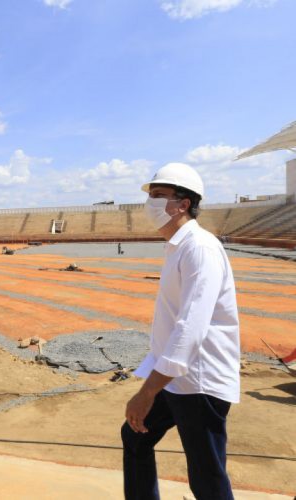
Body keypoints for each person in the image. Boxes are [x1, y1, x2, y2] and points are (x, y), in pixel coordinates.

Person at [122, 163, 240, 500]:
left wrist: (147, 393)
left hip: (198, 383)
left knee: (206, 475)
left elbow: (190, 328)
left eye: (158, 196)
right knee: (136, 437)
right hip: (176, 379)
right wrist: (150, 379)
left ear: (183, 203)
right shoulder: (178, 246)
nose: (151, 204)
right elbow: (172, 324)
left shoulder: (199, 248)